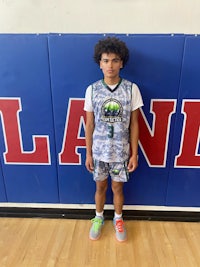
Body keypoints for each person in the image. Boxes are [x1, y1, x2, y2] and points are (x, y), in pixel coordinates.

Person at [84, 36, 143, 242]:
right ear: (99, 63)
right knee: (100, 187)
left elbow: (134, 123)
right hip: (99, 151)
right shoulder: (92, 90)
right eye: (106, 60)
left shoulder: (131, 89)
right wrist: (88, 153)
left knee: (118, 187)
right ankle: (98, 217)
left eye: (115, 60)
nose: (110, 65)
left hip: (120, 152)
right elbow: (89, 125)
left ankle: (118, 218)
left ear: (122, 63)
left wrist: (134, 154)